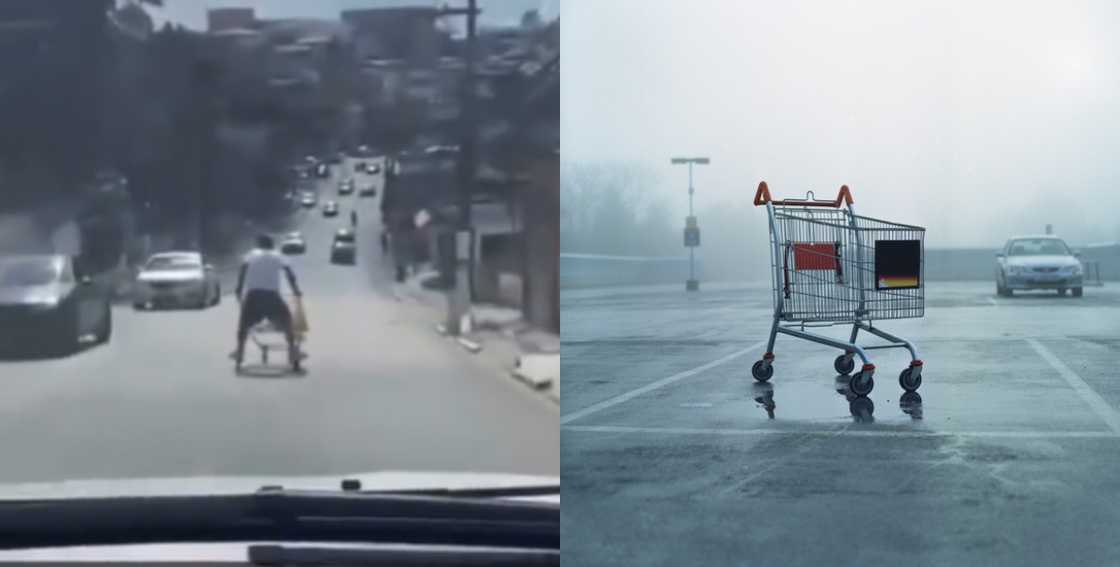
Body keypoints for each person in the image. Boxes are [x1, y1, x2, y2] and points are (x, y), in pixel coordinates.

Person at [232, 234, 303, 370]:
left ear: (258, 244)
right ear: (272, 245)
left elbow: (243, 269)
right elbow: (289, 273)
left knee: (244, 325)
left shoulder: (251, 254)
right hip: (271, 297)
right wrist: (296, 291)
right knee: (287, 323)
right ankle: (293, 354)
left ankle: (240, 352)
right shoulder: (278, 255)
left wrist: (239, 289)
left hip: (253, 296)